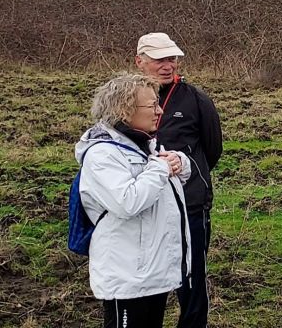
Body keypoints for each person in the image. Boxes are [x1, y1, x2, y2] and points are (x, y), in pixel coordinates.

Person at [76, 73, 194, 328]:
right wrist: (161, 169)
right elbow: (127, 201)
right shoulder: (102, 155)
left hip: (151, 272)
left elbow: (160, 191)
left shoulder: (142, 145)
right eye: (152, 105)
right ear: (125, 109)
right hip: (128, 277)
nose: (160, 110)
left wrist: (179, 164)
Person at [129, 32, 223, 328]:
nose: (167, 65)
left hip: (190, 205)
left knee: (192, 281)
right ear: (139, 61)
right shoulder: (123, 99)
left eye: (172, 58)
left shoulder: (196, 100)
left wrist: (187, 173)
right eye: (159, 59)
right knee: (143, 281)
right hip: (140, 208)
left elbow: (213, 149)